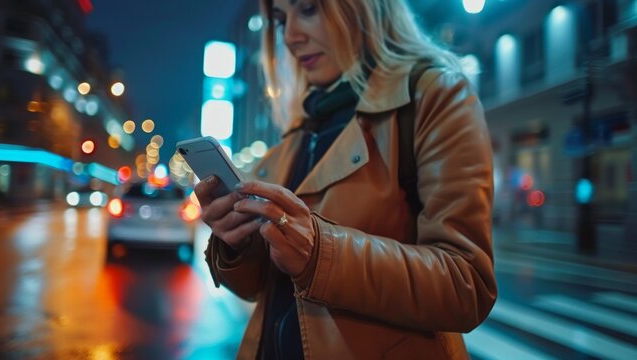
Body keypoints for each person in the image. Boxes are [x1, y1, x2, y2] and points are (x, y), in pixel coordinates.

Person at [194, 0, 497, 358]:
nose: (290, 36)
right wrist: (237, 243)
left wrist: (321, 254)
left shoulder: (434, 94)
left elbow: (466, 285)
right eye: (280, 19)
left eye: (307, 9)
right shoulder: (299, 127)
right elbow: (261, 288)